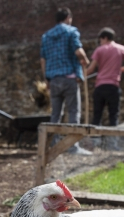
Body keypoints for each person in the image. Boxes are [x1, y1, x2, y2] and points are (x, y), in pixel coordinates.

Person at [40, 7, 92, 155]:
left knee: (55, 115)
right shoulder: (71, 32)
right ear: (68, 17)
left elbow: (43, 60)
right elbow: (78, 51)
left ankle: (53, 146)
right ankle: (72, 147)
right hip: (69, 78)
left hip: (54, 80)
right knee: (73, 112)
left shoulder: (46, 36)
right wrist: (85, 60)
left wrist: (47, 79)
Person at [86, 27, 124, 127]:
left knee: (97, 116)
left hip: (100, 86)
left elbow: (91, 69)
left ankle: (95, 139)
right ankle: (113, 141)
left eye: (100, 40)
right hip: (113, 86)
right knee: (113, 116)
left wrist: (81, 76)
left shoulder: (99, 50)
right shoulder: (122, 49)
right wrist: (118, 69)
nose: (100, 42)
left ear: (104, 38)